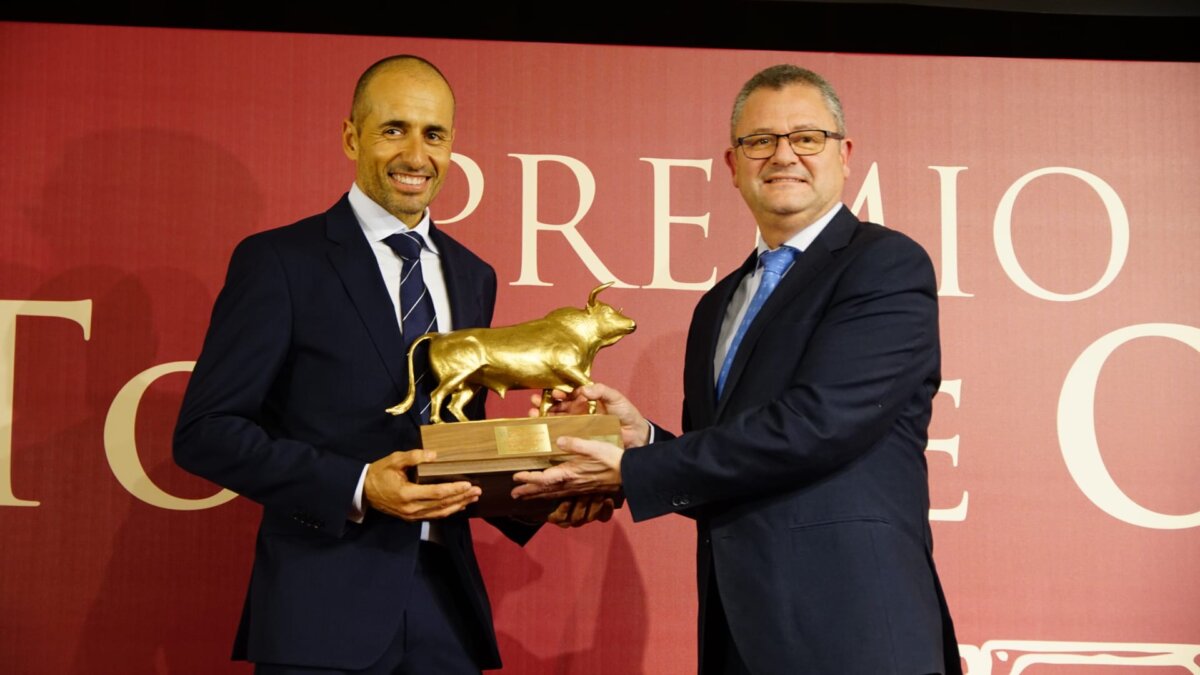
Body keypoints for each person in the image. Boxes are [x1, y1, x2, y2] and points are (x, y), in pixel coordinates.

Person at [513, 64, 962, 675]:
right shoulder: (717, 305)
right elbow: (724, 467)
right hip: (739, 638)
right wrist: (640, 437)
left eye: (807, 137)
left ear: (844, 154)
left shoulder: (885, 266)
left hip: (855, 633)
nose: (783, 155)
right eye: (759, 141)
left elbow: (817, 425)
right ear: (732, 166)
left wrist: (637, 467)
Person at [174, 55, 602, 675]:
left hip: (447, 613)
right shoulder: (280, 262)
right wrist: (357, 486)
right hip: (320, 611)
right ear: (352, 136)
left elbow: (456, 437)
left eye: (434, 135)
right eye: (393, 129)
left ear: (453, 145)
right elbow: (205, 432)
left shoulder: (472, 275)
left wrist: (540, 491)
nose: (416, 155)